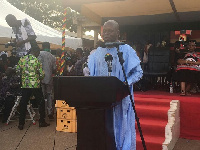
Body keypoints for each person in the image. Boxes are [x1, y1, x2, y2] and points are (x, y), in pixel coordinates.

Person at [88, 20, 143, 150]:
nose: (106, 34)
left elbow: (138, 72)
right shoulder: (97, 53)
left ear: (118, 33)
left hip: (121, 96)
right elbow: (91, 74)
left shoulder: (126, 50)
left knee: (121, 126)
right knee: (104, 126)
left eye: (110, 31)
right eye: (104, 31)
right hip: (102, 99)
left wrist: (125, 84)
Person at [16, 47, 50, 130]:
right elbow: (42, 74)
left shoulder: (22, 59)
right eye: (38, 53)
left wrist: (24, 76)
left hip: (25, 85)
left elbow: (17, 71)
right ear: (36, 51)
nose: (38, 54)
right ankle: (42, 121)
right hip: (35, 85)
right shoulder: (36, 60)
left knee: (23, 103)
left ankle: (21, 124)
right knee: (41, 102)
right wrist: (38, 78)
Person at [38, 42, 56, 119]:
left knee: (41, 96)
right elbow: (54, 69)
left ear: (42, 47)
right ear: (49, 47)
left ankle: (42, 113)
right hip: (49, 79)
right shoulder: (52, 56)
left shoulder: (39, 54)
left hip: (40, 78)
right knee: (49, 95)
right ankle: (49, 112)